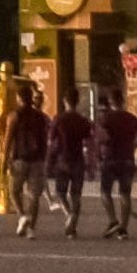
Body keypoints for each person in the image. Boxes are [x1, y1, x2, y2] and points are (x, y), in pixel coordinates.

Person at [94, 91, 137, 243]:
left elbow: (101, 138)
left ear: (110, 101)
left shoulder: (105, 119)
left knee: (105, 192)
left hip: (110, 158)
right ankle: (123, 229)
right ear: (122, 101)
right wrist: (131, 146)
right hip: (127, 159)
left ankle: (113, 220)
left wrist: (99, 155)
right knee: (125, 194)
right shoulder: (132, 118)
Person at [7, 86, 52, 238]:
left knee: (14, 190)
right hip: (38, 160)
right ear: (31, 98)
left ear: (19, 98)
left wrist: (6, 160)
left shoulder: (14, 116)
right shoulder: (41, 117)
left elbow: (8, 139)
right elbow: (45, 140)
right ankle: (31, 229)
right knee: (34, 196)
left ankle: (22, 215)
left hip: (20, 158)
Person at [47, 94, 89, 237]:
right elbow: (88, 141)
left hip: (62, 160)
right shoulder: (83, 121)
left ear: (65, 101)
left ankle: (69, 215)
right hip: (78, 160)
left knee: (61, 193)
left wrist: (50, 160)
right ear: (77, 102)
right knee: (76, 195)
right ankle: (73, 225)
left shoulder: (58, 119)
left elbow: (51, 140)